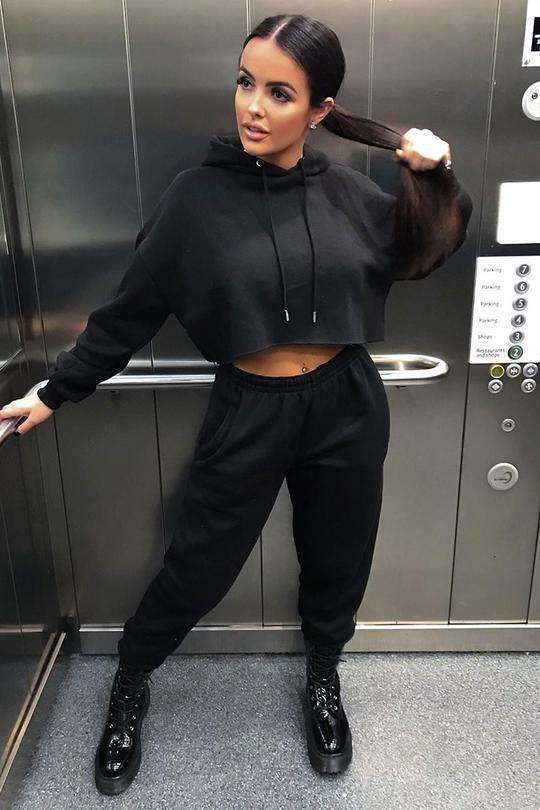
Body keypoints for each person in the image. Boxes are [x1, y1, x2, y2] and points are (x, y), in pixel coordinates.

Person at [0, 13, 473, 797]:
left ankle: (324, 677)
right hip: (250, 406)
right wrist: (55, 390)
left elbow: (423, 249)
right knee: (199, 564)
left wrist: (437, 175)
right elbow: (129, 312)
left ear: (319, 111)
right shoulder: (195, 200)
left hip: (346, 404)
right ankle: (132, 678)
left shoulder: (346, 191)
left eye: (280, 93)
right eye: (246, 82)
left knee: (338, 559)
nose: (253, 105)